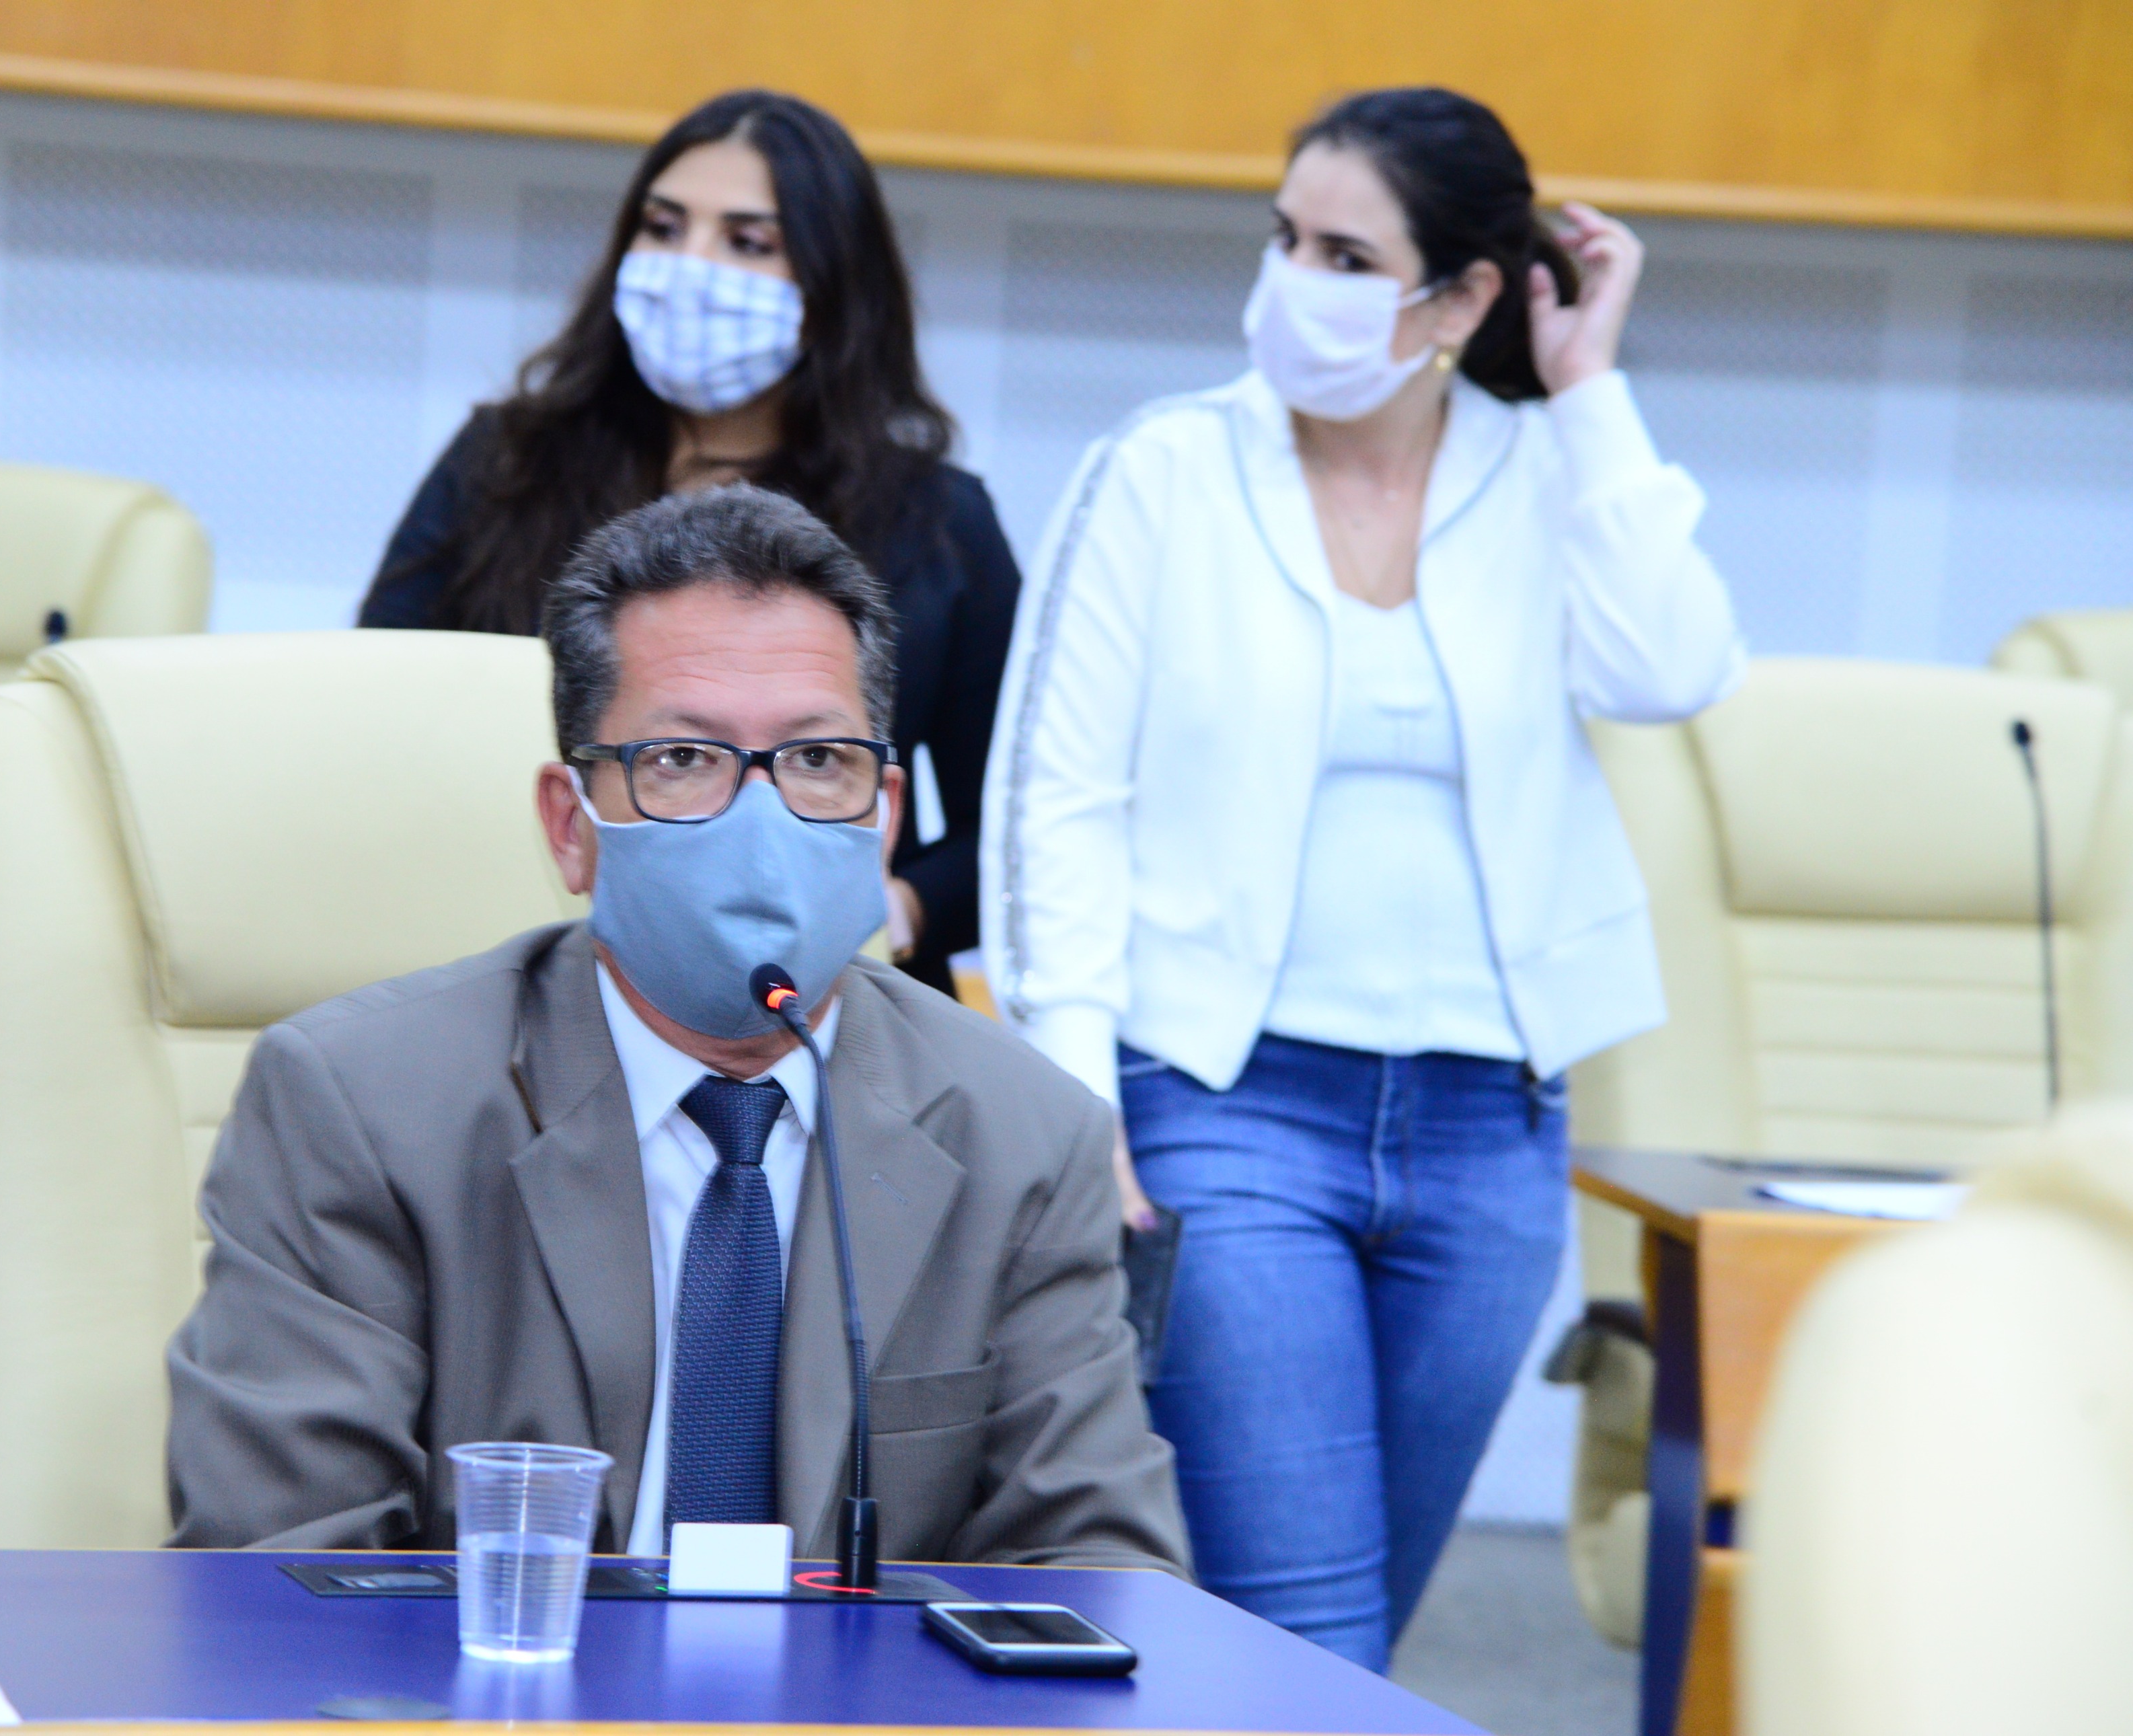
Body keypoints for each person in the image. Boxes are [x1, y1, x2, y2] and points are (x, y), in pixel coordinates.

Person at [979, 87, 1745, 1666]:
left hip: (1490, 1127)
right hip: (1227, 1103)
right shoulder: (1164, 469)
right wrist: (1076, 1095)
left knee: (1334, 1644)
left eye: (1345, 257)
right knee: (1311, 1627)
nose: (1294, 283)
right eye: (1285, 239)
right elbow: (1054, 800)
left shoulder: (1544, 473)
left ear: (1461, 299)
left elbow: (1669, 669)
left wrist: (1591, 395)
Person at [170, 485, 1187, 1576]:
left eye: (817, 761)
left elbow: (1100, 1575)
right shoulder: (358, 1106)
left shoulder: (1029, 1137)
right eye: (683, 760)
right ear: (572, 824)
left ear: (884, 817)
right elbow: (281, 1570)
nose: (761, 819)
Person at [361, 90, 1016, 997]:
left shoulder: (939, 520)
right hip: (508, 957)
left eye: (748, 242)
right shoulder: (504, 460)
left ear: (834, 286)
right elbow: (374, 714)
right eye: (664, 228)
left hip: (809, 977)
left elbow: (1018, 823)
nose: (688, 267)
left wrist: (896, 908)